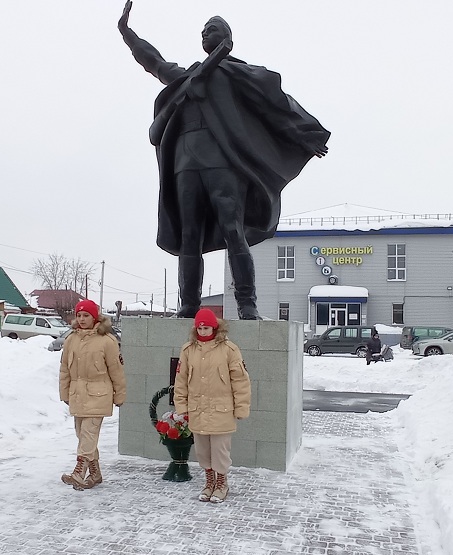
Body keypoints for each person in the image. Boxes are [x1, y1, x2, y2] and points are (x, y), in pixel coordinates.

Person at [118, 1, 330, 319]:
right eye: (203, 30)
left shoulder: (237, 74)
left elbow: (273, 106)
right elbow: (153, 61)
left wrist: (304, 136)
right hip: (184, 164)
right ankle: (189, 305)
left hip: (222, 162)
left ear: (227, 37)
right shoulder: (185, 77)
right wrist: (126, 32)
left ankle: (247, 304)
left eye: (213, 28)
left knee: (233, 230)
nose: (206, 32)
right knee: (189, 234)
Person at [173, 308, 251, 503]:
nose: (203, 332)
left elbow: (240, 381)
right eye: (199, 328)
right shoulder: (188, 349)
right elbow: (181, 380)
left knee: (220, 450)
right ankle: (209, 482)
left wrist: (241, 407)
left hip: (221, 409)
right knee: (203, 450)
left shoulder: (229, 349)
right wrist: (181, 407)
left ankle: (221, 483)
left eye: (206, 328)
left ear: (215, 327)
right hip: (198, 409)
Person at [60, 300, 126, 490]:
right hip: (78, 395)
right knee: (82, 435)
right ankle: (95, 474)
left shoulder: (107, 341)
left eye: (86, 315)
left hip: (99, 395)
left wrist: (119, 395)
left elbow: (116, 370)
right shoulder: (71, 339)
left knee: (88, 434)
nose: (81, 319)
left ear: (95, 316)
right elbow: (65, 369)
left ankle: (79, 471)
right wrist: (65, 392)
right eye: (79, 315)